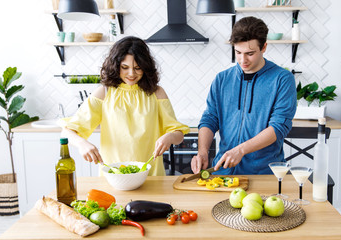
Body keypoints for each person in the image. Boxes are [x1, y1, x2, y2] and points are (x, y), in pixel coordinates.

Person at [60, 36, 189, 176]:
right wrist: (82, 144)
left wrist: (169, 137)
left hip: (151, 177)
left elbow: (179, 134)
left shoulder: (156, 93)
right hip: (113, 177)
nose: (131, 74)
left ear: (145, 67)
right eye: (125, 67)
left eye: (138, 68)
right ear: (116, 66)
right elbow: (67, 132)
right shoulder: (104, 93)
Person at [191, 16, 297, 175]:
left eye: (250, 53)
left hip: (264, 174)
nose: (242, 60)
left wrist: (240, 150)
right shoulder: (222, 79)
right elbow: (210, 118)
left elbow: (278, 127)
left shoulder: (282, 79)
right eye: (238, 52)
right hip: (223, 172)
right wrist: (203, 151)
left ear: (264, 47)